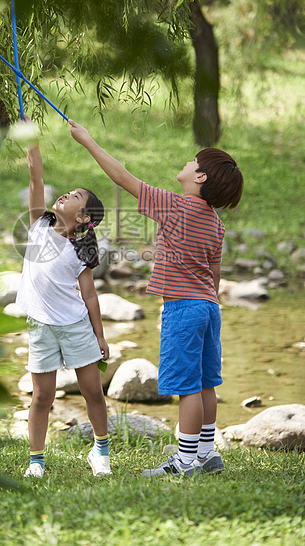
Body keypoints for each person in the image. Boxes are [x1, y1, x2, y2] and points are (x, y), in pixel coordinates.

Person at [69, 118, 243, 477]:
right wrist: (207, 300)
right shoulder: (216, 223)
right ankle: (208, 454)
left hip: (182, 308)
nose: (187, 162)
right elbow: (215, 274)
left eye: (193, 161)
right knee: (207, 382)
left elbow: (122, 178)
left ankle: (184, 461)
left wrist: (87, 141)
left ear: (201, 178)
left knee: (187, 387)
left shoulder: (175, 206)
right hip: (209, 308)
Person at [16, 114, 111, 479]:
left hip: (74, 326)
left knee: (93, 392)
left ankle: (100, 453)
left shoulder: (81, 252)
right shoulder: (39, 223)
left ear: (85, 217)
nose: (65, 194)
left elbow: (89, 297)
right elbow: (35, 176)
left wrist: (100, 335)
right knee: (42, 397)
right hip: (41, 326)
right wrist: (31, 140)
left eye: (74, 197)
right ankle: (36, 461)